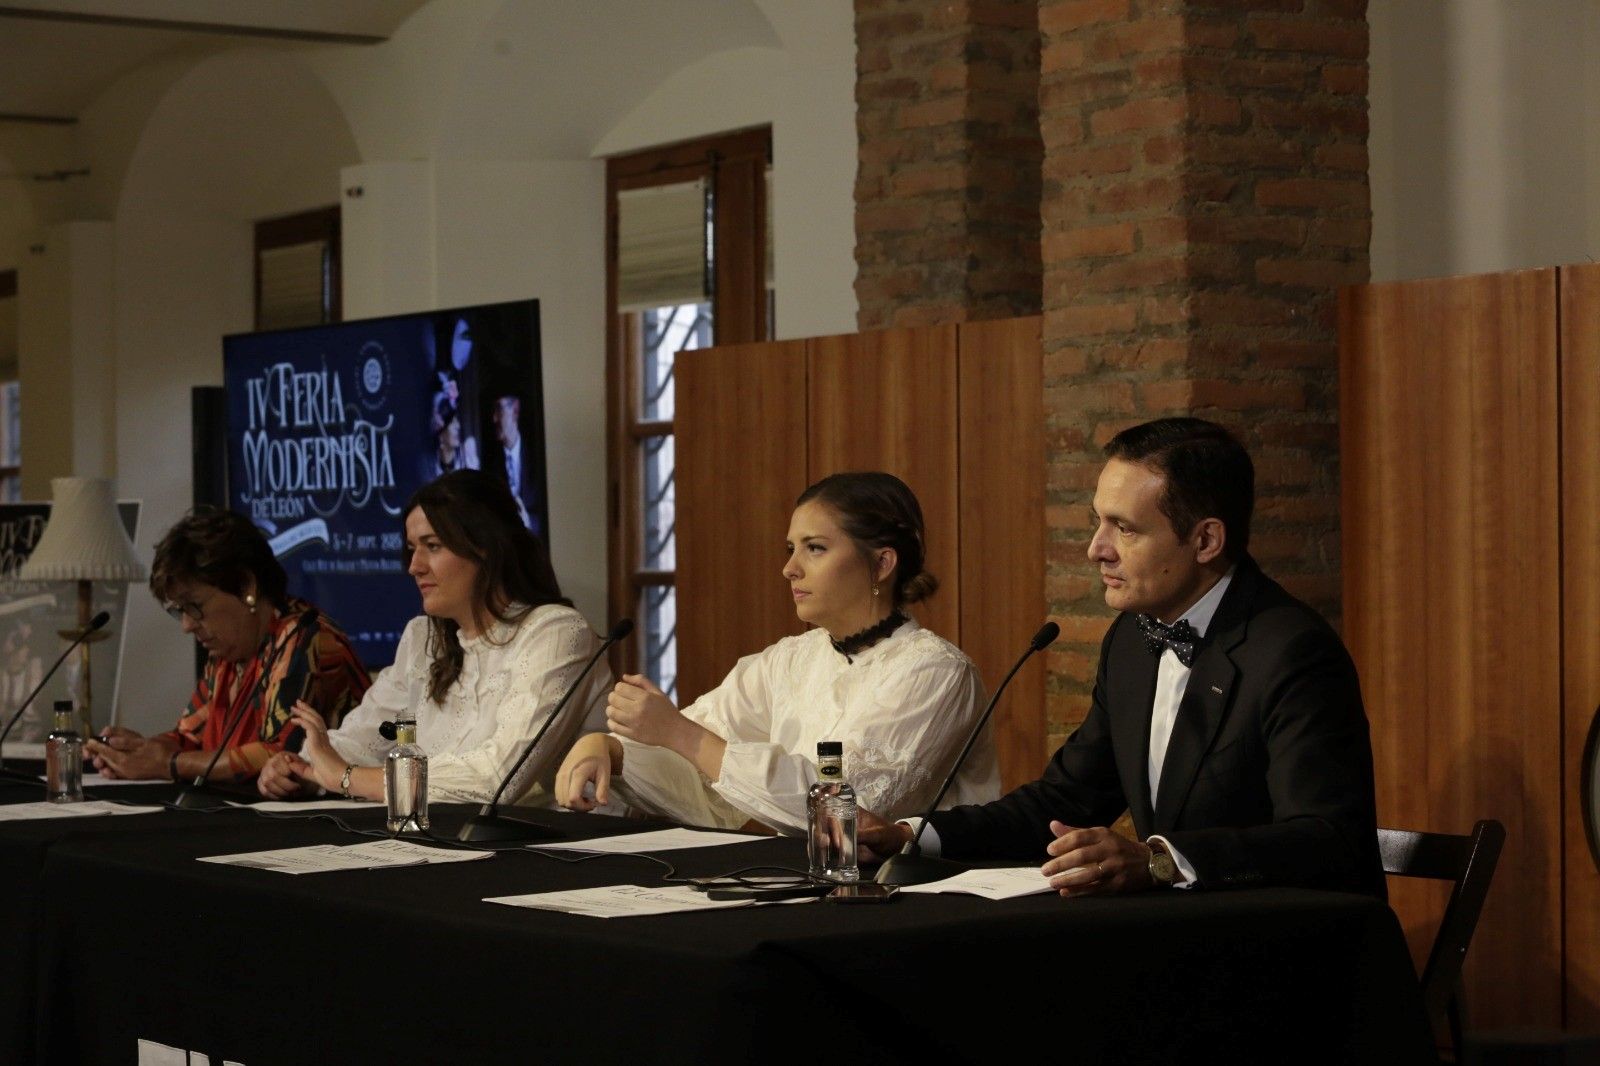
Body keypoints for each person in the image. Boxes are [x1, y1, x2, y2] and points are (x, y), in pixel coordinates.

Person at [860, 417, 1386, 898]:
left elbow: (1326, 837)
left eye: (1124, 528)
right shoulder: (1132, 639)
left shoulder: (1293, 651)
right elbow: (1064, 801)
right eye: (1098, 523)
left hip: (1289, 955)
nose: (1096, 549)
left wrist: (1159, 860)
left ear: (1205, 540)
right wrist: (910, 834)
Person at [555, 471, 999, 832]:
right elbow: (697, 761)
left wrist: (681, 734)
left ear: (882, 563)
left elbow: (847, 809)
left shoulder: (936, 671)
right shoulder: (788, 659)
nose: (790, 568)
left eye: (815, 548)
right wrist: (607, 749)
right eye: (791, 549)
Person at [258, 469, 610, 806]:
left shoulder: (557, 633)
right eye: (412, 548)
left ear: (485, 547)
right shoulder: (422, 639)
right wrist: (300, 767)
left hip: (558, 850)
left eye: (433, 546)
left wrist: (343, 777)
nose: (414, 566)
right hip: (450, 842)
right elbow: (366, 740)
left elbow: (498, 778)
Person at [87, 509, 369, 783]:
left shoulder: (307, 636)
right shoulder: (230, 651)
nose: (186, 625)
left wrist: (165, 764)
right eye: (179, 610)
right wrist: (130, 752)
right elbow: (188, 739)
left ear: (247, 586)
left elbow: (280, 754)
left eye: (194, 607)